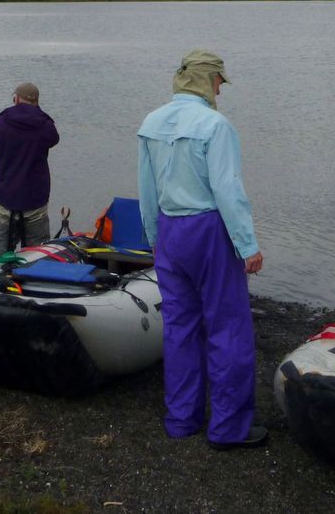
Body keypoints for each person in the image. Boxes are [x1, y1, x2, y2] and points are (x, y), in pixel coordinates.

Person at [137, 50, 266, 450]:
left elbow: (147, 190)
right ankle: (229, 428)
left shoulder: (151, 122)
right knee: (228, 327)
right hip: (209, 229)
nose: (220, 91)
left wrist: (154, 238)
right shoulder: (215, 125)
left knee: (179, 326)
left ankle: (181, 419)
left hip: (170, 230)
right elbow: (228, 190)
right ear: (207, 80)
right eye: (219, 83)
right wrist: (248, 245)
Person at [0, 82, 59, 255]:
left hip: (7, 197)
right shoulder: (45, 126)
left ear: (15, 99)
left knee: (2, 250)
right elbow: (53, 139)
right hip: (34, 199)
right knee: (38, 253)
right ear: (36, 102)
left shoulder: (0, 123)